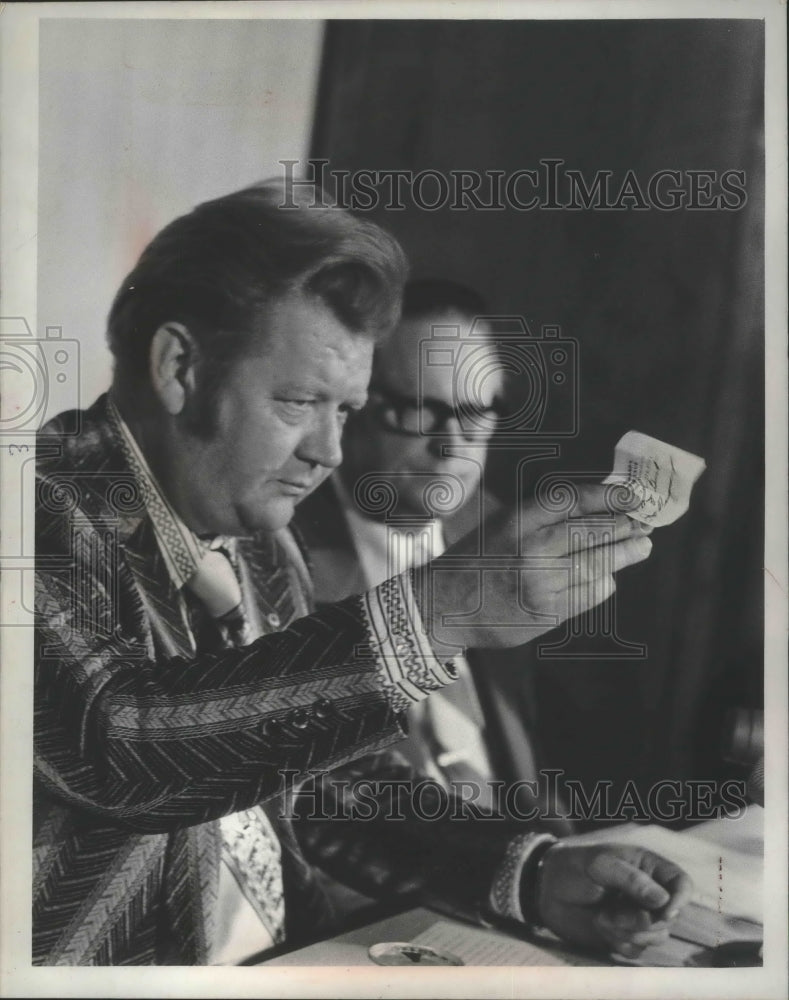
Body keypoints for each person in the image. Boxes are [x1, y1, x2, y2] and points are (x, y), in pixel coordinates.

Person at [34, 178, 689, 966]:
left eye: (344, 410)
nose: (329, 452)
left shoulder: (261, 541)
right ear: (181, 367)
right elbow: (121, 743)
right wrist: (439, 612)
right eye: (298, 402)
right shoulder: (32, 511)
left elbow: (323, 788)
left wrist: (533, 874)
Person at [297, 278, 566, 824]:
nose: (452, 444)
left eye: (477, 412)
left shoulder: (498, 534)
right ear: (355, 406)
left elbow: (526, 772)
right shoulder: (282, 552)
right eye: (421, 410)